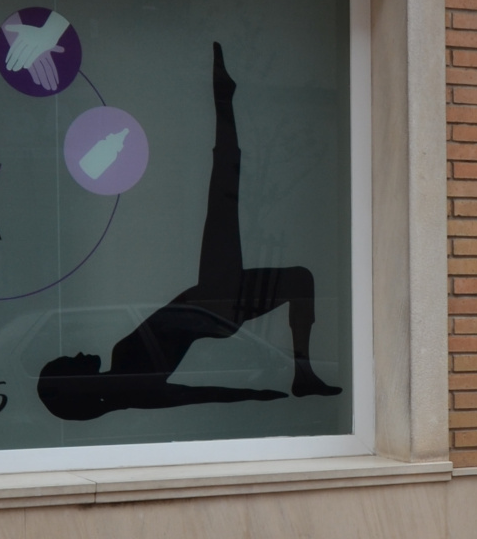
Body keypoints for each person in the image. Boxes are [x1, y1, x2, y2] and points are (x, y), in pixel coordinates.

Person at [38, 43, 340, 422]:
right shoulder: (128, 379)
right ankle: (223, 100)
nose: (79, 353)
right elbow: (191, 395)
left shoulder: (124, 374)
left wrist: (258, 394)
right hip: (213, 302)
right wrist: (257, 395)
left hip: (211, 304)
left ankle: (304, 375)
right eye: (72, 361)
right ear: (77, 382)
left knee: (297, 277)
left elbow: (188, 392)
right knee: (224, 192)